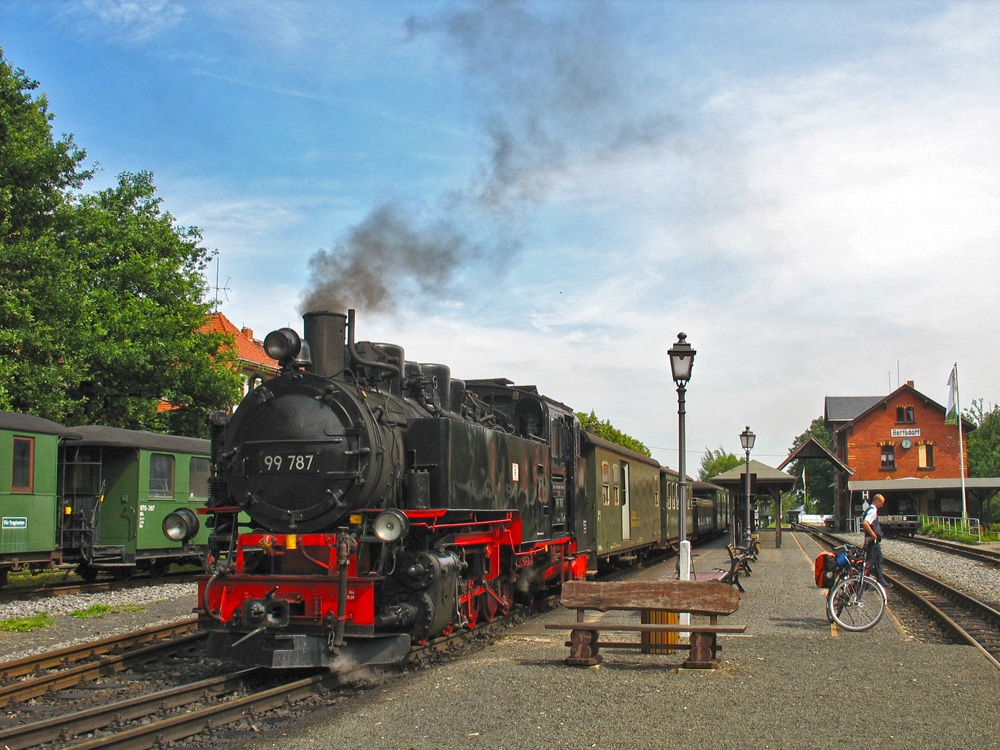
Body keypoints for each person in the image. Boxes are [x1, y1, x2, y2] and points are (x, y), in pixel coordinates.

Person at [861, 493, 891, 588]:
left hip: (874, 541)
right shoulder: (873, 511)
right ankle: (864, 581)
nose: (881, 505)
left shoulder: (869, 509)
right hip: (872, 540)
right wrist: (873, 534)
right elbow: (865, 523)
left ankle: (880, 579)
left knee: (878, 559)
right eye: (881, 503)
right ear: (877, 501)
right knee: (870, 561)